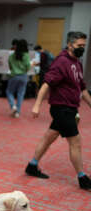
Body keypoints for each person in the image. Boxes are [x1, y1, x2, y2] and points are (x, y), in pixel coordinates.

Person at [25, 31, 91, 190]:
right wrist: (37, 105)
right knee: (75, 142)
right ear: (69, 45)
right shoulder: (61, 62)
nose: (82, 48)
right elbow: (46, 84)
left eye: (84, 45)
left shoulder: (77, 63)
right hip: (62, 109)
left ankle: (32, 166)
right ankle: (83, 178)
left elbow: (82, 89)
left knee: (49, 137)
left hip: (70, 107)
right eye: (79, 45)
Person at [6, 39, 32, 118]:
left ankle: (13, 105)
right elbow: (28, 66)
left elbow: (10, 67)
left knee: (9, 92)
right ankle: (17, 112)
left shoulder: (11, 56)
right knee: (20, 94)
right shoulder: (26, 55)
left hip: (14, 76)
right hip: (24, 76)